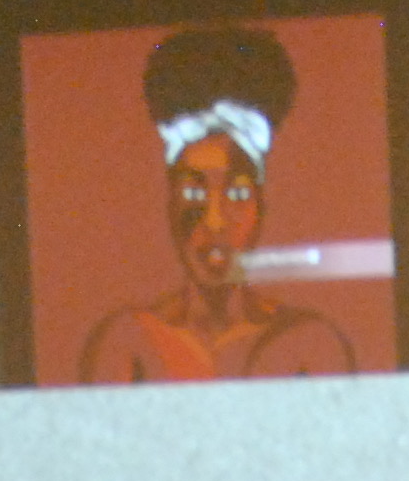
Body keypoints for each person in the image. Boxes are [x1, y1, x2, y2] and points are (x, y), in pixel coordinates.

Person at [75, 23, 356, 383]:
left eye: (237, 193)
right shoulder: (127, 341)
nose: (215, 221)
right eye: (194, 193)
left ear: (261, 205)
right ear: (169, 203)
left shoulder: (309, 344)